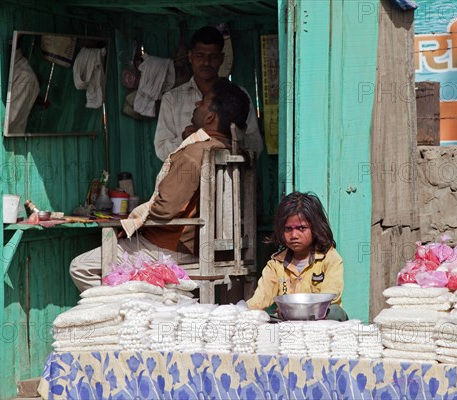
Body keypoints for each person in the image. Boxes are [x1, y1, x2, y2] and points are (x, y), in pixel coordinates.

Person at [70, 78, 250, 292]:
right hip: (215, 250)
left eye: (201, 102)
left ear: (210, 116)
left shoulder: (195, 153)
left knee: (81, 267)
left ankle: (133, 308)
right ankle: (145, 302)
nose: (196, 105)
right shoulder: (234, 152)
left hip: (171, 248)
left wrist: (134, 219)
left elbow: (165, 209)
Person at [154, 26, 263, 162]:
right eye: (200, 56)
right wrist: (184, 139)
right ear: (190, 56)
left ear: (222, 58)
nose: (206, 62)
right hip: (189, 178)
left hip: (230, 178)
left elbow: (256, 146)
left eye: (213, 57)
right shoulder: (172, 99)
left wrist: (228, 136)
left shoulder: (239, 96)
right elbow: (161, 150)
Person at [247, 192, 348, 321]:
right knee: (261, 318)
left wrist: (299, 310)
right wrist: (249, 311)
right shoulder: (275, 264)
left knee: (335, 312)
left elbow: (331, 295)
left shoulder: (330, 258)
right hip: (288, 321)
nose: (294, 235)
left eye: (301, 228)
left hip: (320, 320)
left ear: (315, 228)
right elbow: (259, 299)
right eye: (288, 229)